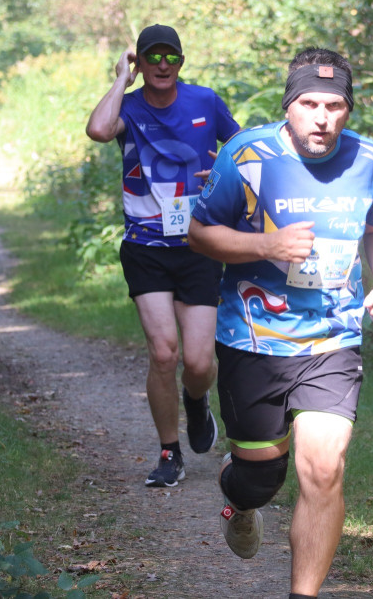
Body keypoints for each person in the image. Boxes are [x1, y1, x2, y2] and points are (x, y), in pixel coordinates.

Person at [188, 47, 373, 599]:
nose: (322, 117)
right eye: (309, 102)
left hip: (333, 338)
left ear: (349, 110)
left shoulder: (368, 160)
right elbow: (200, 234)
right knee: (262, 477)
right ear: (290, 105)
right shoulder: (247, 155)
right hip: (252, 339)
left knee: (324, 470)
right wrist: (267, 244)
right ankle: (238, 500)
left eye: (335, 105)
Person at [85, 24, 241, 487]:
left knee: (197, 362)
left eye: (169, 57)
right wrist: (120, 80)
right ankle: (169, 451)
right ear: (140, 63)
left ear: (180, 62)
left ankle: (196, 402)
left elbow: (239, 150)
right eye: (151, 57)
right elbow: (97, 129)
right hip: (145, 247)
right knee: (164, 354)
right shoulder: (127, 107)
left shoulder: (204, 101)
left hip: (198, 243)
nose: (160, 65)